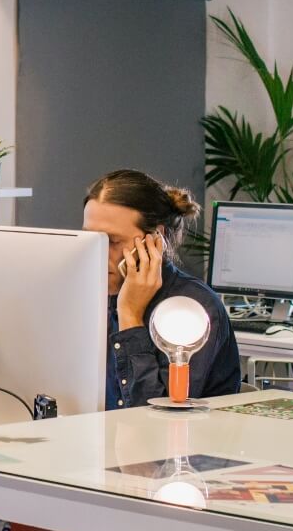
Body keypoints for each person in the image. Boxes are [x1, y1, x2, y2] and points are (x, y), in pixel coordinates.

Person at [82, 169, 240, 409]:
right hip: (97, 439)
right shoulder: (88, 295)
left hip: (178, 444)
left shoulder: (191, 307)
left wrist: (130, 315)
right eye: (91, 239)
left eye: (113, 242)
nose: (99, 253)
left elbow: (156, 419)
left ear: (156, 238)